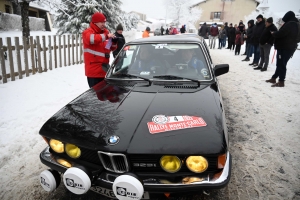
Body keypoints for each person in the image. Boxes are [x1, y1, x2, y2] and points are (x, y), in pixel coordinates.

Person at [82, 12, 117, 88]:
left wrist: (113, 43)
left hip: (104, 70)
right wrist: (106, 36)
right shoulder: (87, 32)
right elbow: (92, 39)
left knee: (105, 96)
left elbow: (108, 48)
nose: (103, 24)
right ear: (95, 22)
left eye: (104, 22)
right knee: (96, 96)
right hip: (94, 73)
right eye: (101, 22)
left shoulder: (105, 32)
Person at [266, 11, 299, 87]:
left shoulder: (290, 24)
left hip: (285, 48)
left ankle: (281, 81)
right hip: (289, 47)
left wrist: (274, 33)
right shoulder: (296, 24)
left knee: (281, 64)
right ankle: (274, 78)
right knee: (280, 64)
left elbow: (281, 33)